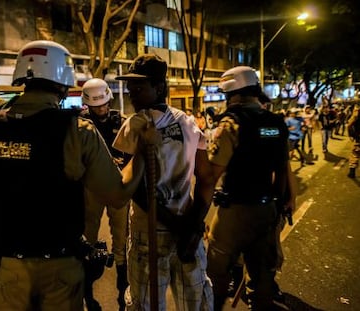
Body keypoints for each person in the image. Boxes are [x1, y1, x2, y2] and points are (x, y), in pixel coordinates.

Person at [0, 40, 148, 311]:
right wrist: (141, 151)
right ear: (63, 84)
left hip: (7, 269)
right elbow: (117, 195)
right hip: (62, 271)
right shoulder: (78, 130)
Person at [113, 53, 215, 310]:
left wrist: (181, 226)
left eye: (139, 86)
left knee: (145, 304)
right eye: (130, 86)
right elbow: (207, 181)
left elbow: (131, 186)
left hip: (149, 232)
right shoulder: (190, 123)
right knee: (195, 302)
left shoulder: (135, 125)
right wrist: (192, 225)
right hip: (187, 229)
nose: (131, 92)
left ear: (159, 88)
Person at [206, 66, 292, 311]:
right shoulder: (276, 123)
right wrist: (278, 205)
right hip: (266, 209)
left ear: (231, 93)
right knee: (262, 276)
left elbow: (212, 175)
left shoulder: (231, 124)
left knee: (216, 270)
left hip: (234, 212)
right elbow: (283, 171)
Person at [81, 78, 131, 311]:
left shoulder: (122, 122)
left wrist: (122, 165)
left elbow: (132, 155)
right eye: (95, 106)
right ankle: (87, 294)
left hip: (117, 187)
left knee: (121, 242)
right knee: (86, 241)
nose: (101, 110)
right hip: (90, 188)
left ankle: (124, 291)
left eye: (103, 105)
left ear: (110, 100)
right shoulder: (80, 124)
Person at [347, 104, 360, 178]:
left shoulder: (356, 113)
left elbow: (349, 125)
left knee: (354, 155)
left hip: (358, 138)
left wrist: (351, 134)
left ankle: (352, 172)